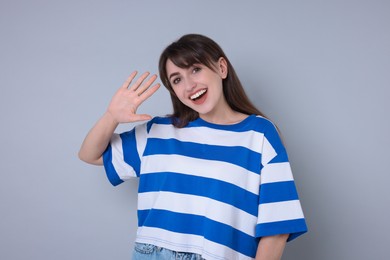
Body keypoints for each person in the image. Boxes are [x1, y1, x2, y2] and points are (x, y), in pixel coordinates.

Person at [79, 34, 307, 260]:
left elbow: (277, 225)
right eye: (177, 79)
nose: (189, 86)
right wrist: (112, 116)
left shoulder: (260, 134)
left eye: (195, 69)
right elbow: (90, 154)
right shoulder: (158, 131)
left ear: (221, 68)